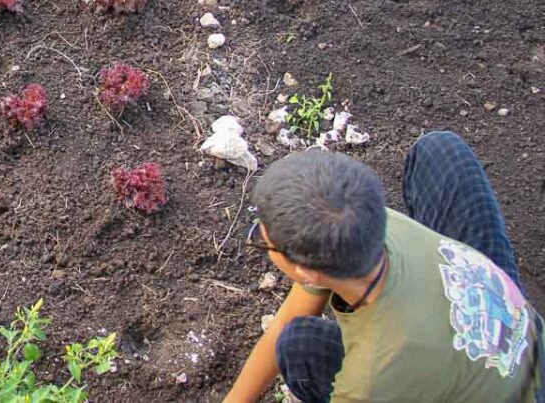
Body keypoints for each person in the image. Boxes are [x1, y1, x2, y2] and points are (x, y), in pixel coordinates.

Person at [225, 132, 544, 402]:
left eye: (261, 239)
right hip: (520, 341)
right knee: (440, 150)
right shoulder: (357, 224)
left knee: (301, 350)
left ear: (308, 271)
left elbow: (290, 332)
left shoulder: (371, 377)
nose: (259, 237)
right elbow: (286, 319)